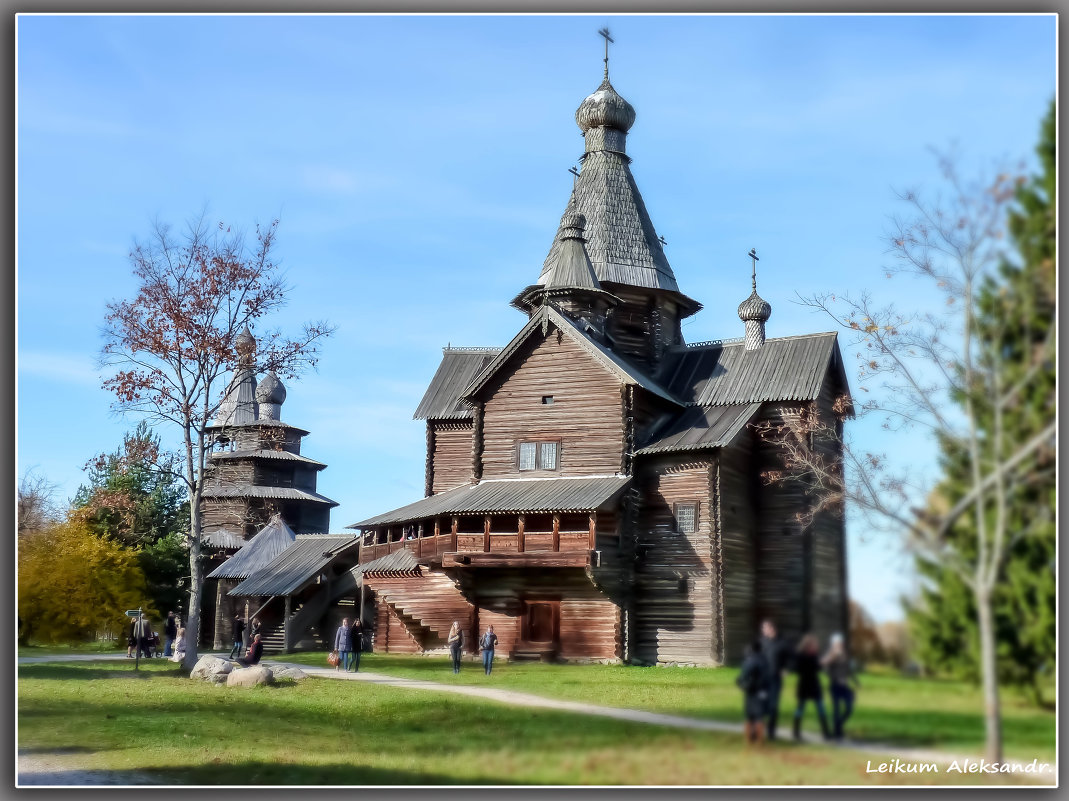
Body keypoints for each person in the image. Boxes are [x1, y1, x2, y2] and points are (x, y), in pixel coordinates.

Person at [792, 633, 830, 741]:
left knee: (821, 708)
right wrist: (820, 663)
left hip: (814, 684)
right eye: (814, 644)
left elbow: (818, 668)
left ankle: (826, 733)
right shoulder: (801, 656)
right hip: (804, 684)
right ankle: (796, 732)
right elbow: (800, 669)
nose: (816, 646)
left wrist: (822, 664)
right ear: (808, 645)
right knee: (800, 708)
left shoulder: (815, 655)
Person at [822, 632, 858, 740]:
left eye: (841, 643)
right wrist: (833, 657)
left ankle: (839, 725)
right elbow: (825, 668)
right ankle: (837, 732)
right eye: (837, 643)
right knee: (836, 710)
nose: (840, 645)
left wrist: (856, 682)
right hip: (835, 685)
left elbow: (849, 670)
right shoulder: (830, 654)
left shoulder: (845, 654)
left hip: (845, 686)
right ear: (833, 644)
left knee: (849, 708)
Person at [736, 639, 771, 745]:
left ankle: (749, 740)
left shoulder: (750, 660)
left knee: (750, 716)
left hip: (751, 691)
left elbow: (743, 676)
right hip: (761, 691)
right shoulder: (764, 660)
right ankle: (759, 741)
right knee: (759, 717)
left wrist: (742, 684)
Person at [759, 619, 788, 740]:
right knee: (761, 705)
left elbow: (790, 657)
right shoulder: (761, 643)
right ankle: (759, 731)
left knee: (773, 706)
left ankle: (771, 733)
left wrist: (786, 668)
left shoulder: (781, 643)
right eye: (763, 628)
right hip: (762, 680)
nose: (763, 630)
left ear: (772, 628)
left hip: (775, 680)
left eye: (765, 628)